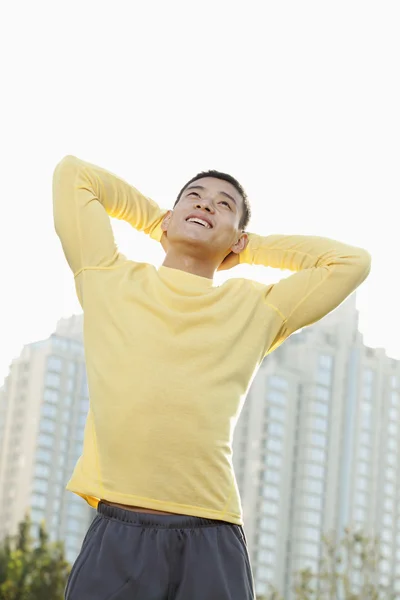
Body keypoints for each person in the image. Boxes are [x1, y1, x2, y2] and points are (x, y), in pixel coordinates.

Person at [53, 155, 371, 600]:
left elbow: (350, 262)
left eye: (223, 205)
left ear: (237, 236)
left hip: (211, 533)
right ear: (169, 215)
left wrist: (246, 247)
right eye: (194, 198)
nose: (205, 206)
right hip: (118, 532)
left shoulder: (256, 308)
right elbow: (74, 174)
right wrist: (159, 221)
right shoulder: (107, 277)